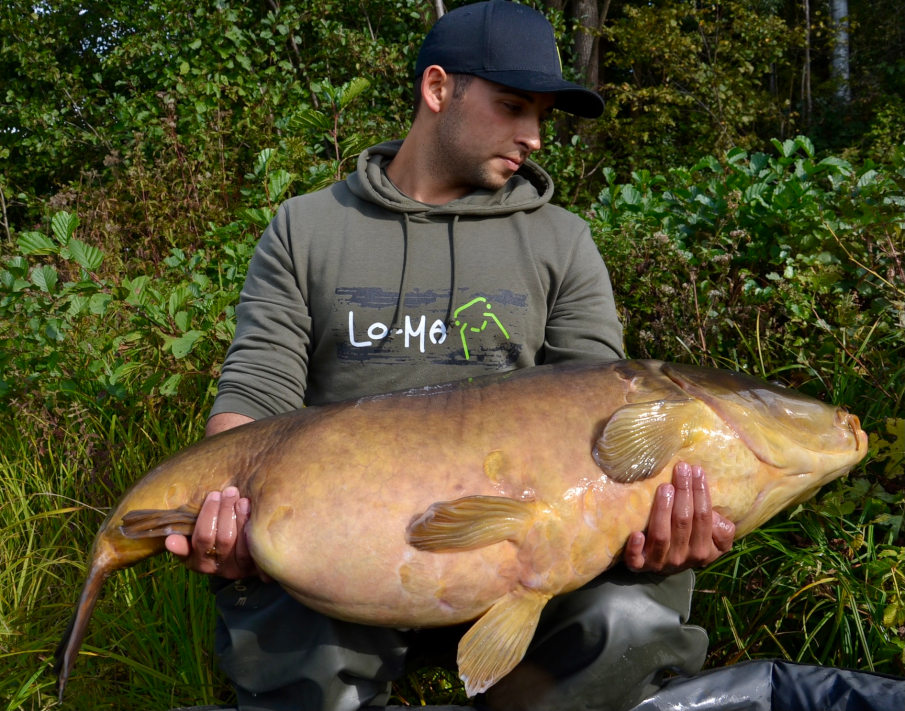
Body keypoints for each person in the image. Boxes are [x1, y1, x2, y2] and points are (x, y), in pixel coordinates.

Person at [165, 2, 734, 710]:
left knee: (634, 618)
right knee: (290, 637)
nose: (532, 136)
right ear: (438, 90)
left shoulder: (561, 240)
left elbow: (603, 417)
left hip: (526, 554)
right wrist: (227, 511)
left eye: (541, 117)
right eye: (511, 107)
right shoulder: (306, 228)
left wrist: (658, 517)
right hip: (354, 558)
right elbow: (255, 396)